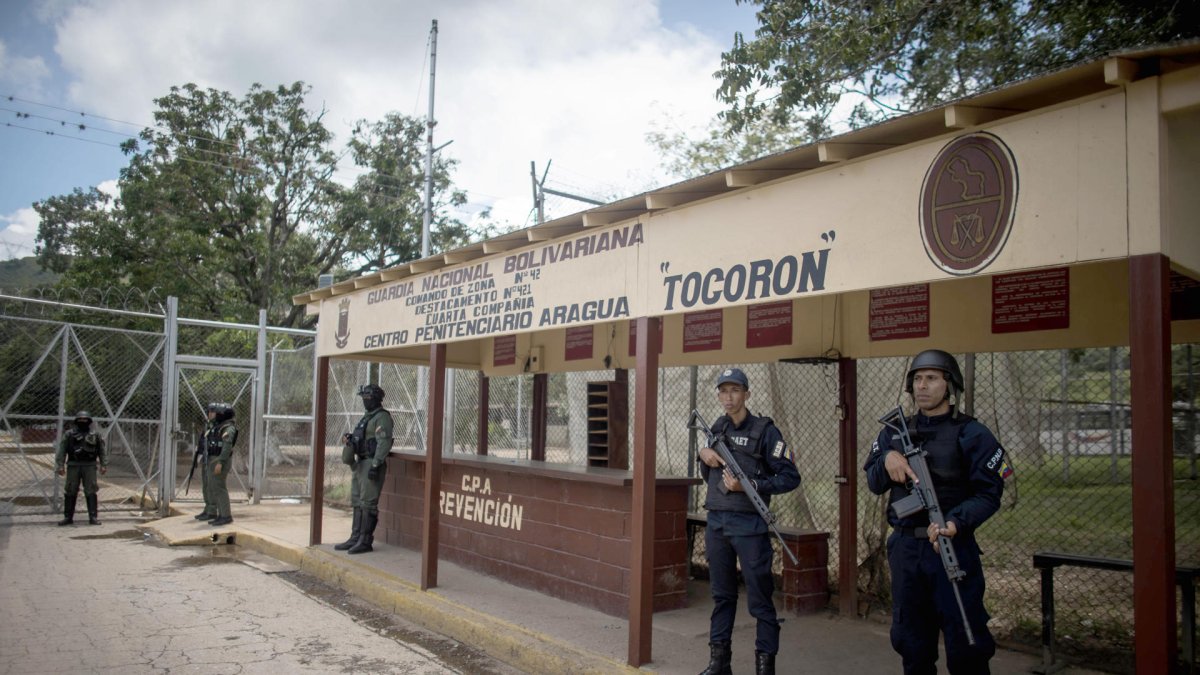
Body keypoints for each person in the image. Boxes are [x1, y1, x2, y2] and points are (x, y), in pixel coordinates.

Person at [863, 349, 1008, 675]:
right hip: (906, 549)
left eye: (931, 378)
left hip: (951, 546)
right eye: (917, 379)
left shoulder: (973, 434)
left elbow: (989, 494)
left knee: (966, 642)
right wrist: (887, 458)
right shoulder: (893, 433)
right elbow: (873, 482)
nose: (922, 386)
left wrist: (956, 521)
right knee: (910, 641)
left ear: (949, 384)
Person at [696, 368, 800, 675]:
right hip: (717, 523)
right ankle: (719, 663)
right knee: (721, 596)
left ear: (747, 394)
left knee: (759, 600)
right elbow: (708, 473)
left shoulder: (767, 432)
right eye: (723, 391)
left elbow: (789, 477)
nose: (728, 397)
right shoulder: (716, 428)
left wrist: (751, 486)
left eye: (735, 391)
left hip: (750, 526)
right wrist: (704, 454)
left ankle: (765, 664)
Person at [335, 383, 393, 555]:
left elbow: (383, 443)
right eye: (364, 398)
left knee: (368, 503)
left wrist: (375, 465)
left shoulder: (381, 417)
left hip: (370, 463)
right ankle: (355, 537)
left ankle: (365, 541)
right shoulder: (367, 417)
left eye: (367, 398)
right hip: (360, 464)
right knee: (357, 501)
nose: (365, 401)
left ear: (375, 398)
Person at [55, 410, 107, 526]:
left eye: (85, 420)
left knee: (91, 490)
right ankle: (68, 517)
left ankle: (93, 517)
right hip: (73, 465)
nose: (83, 422)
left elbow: (102, 451)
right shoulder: (69, 434)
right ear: (76, 421)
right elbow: (62, 450)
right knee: (70, 490)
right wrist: (60, 465)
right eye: (80, 420)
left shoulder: (95, 435)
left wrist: (103, 464)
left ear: (89, 421)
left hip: (90, 466)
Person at [202, 403, 238, 527]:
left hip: (220, 460)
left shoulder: (228, 428)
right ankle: (220, 514)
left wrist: (220, 462)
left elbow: (227, 447)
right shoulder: (219, 426)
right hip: (214, 459)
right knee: (214, 487)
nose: (214, 414)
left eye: (216, 412)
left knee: (220, 488)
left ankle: (226, 516)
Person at [193, 403, 227, 523]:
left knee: (212, 486)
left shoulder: (221, 426)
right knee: (206, 485)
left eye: (212, 412)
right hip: (207, 457)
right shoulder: (209, 425)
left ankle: (212, 510)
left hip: (214, 458)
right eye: (209, 412)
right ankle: (208, 509)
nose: (210, 414)